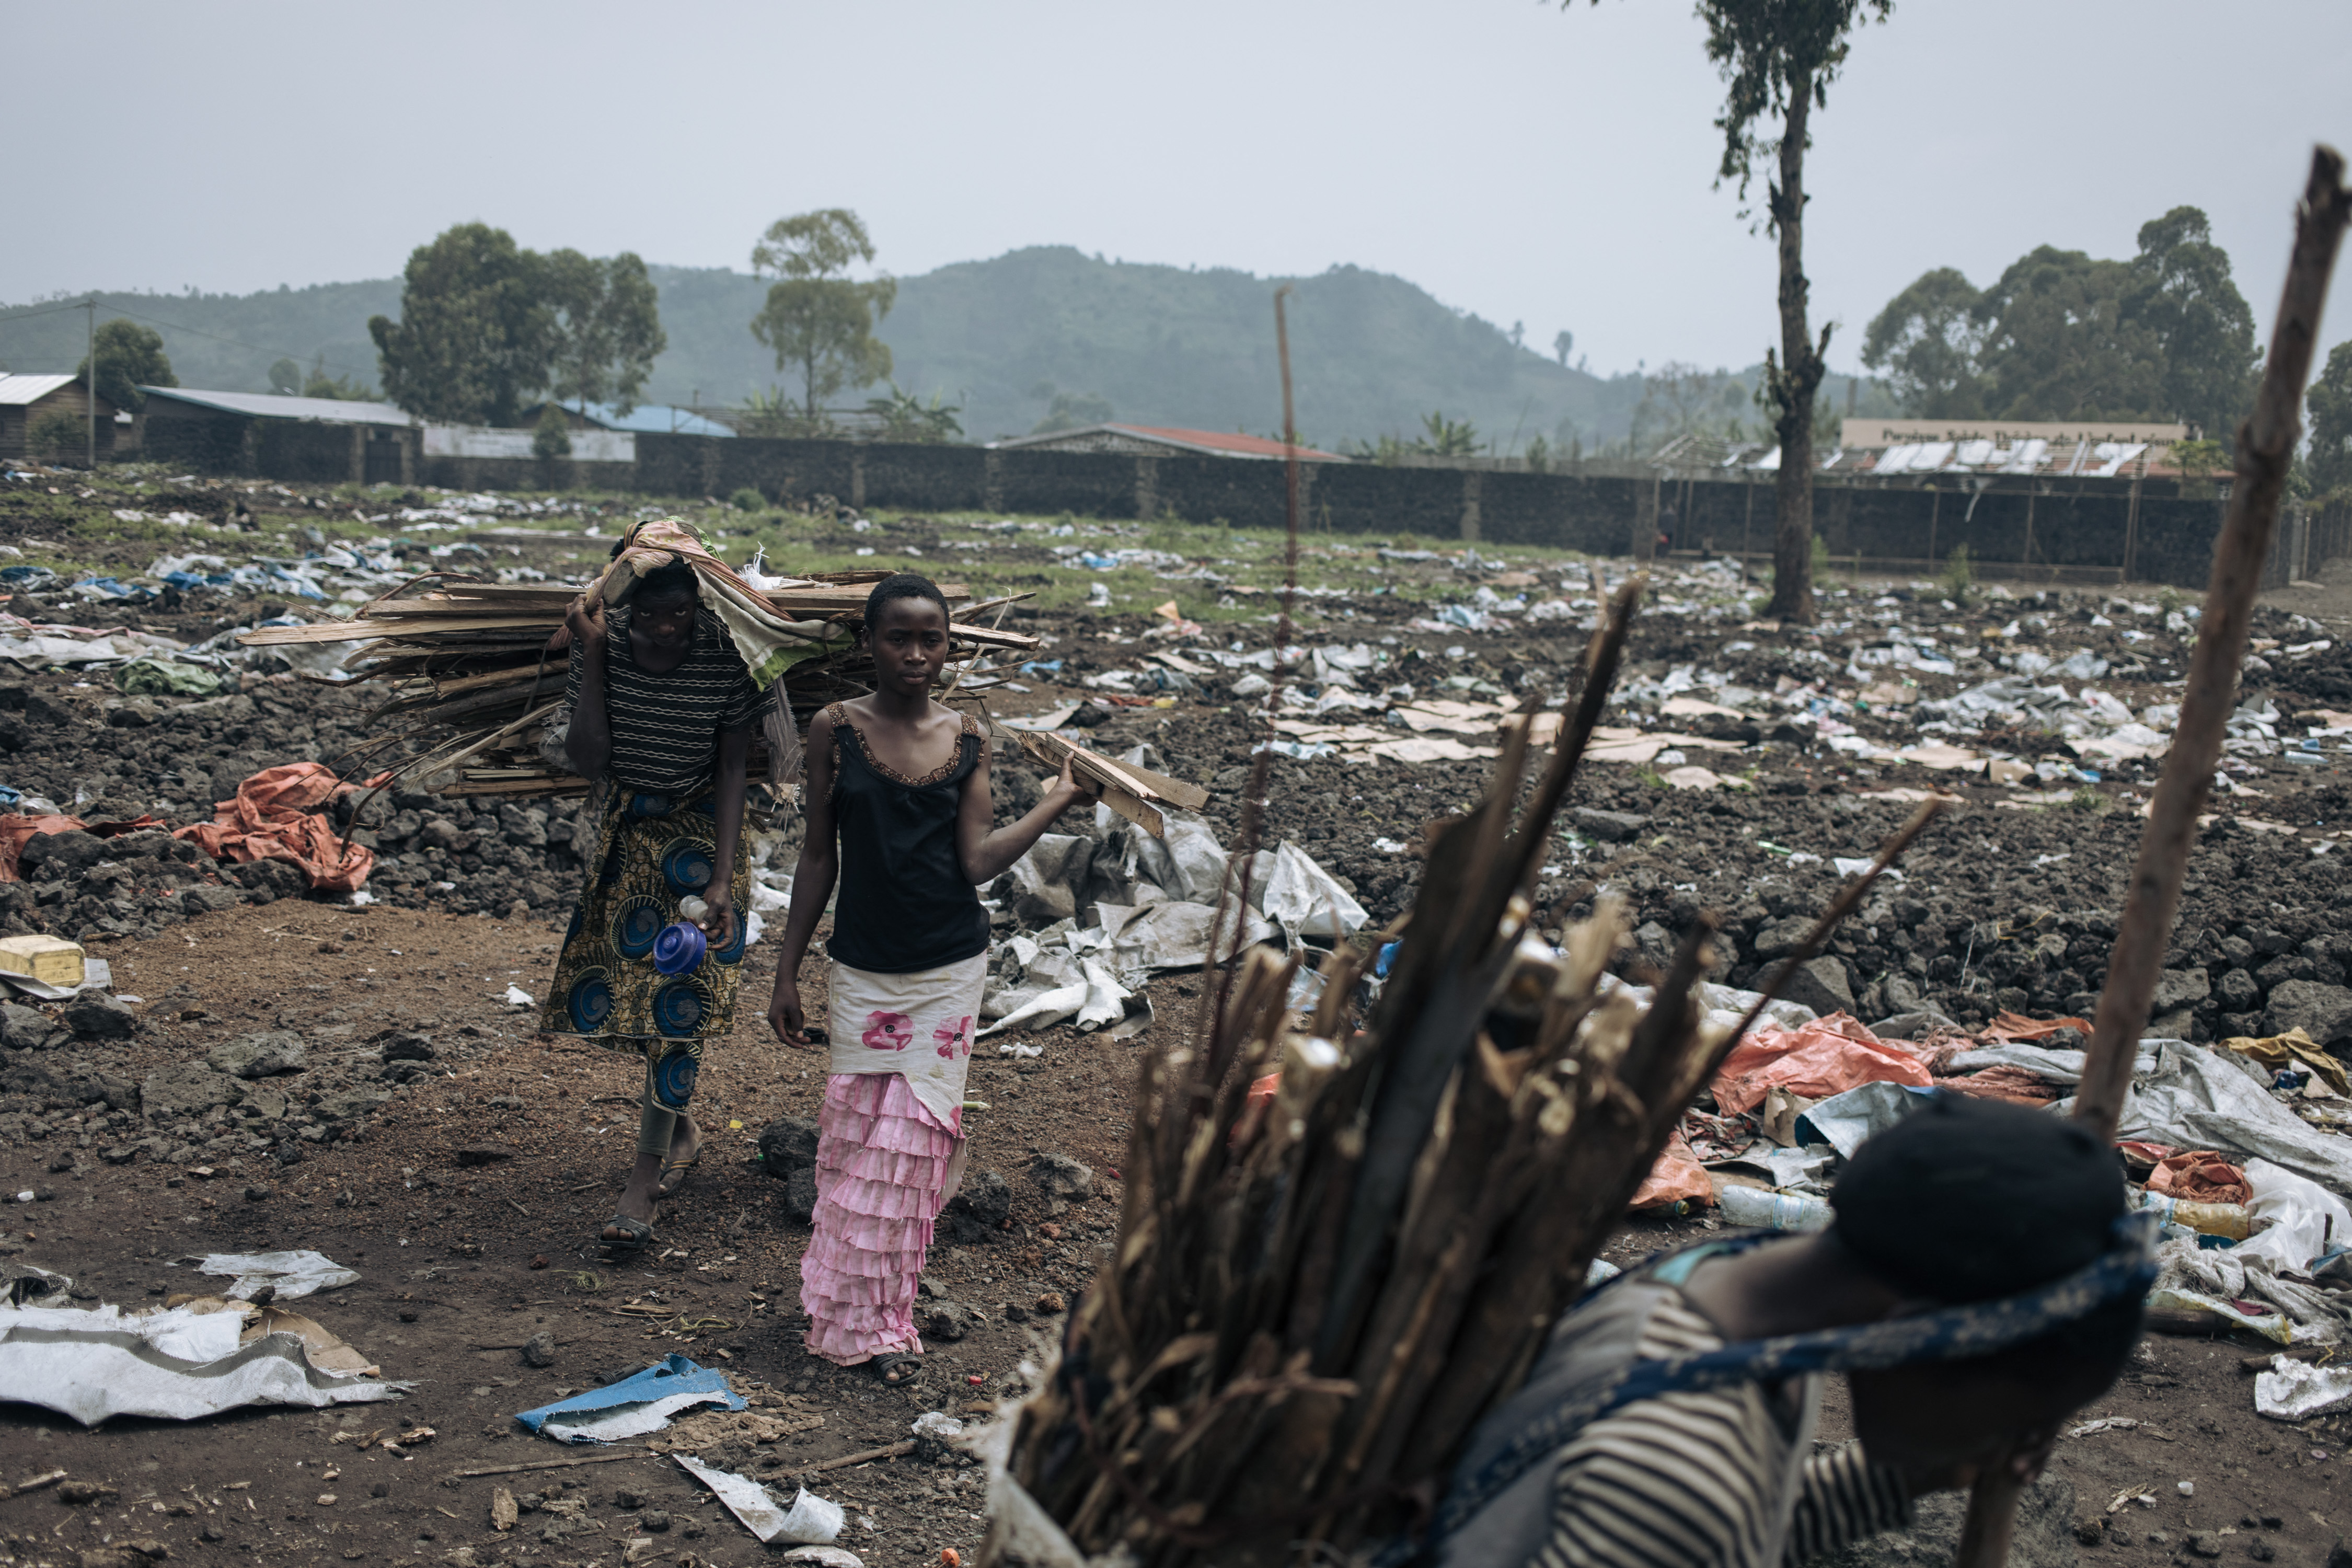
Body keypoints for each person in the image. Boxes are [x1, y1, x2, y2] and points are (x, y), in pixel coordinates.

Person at [1429, 1094, 2151, 1567]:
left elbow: (1747, 1535)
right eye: (2013, 1417)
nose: (2008, 1446)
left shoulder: (1719, 1296)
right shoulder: (1674, 1482)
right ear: (1914, 1334)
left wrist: (1915, 1469)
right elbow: (1703, 1527)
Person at [768, 572, 1088, 1380]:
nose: (916, 654)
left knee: (908, 1151)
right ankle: (845, 1309)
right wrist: (786, 973)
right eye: (898, 638)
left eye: (931, 639)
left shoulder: (967, 737)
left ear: (949, 648)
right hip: (864, 970)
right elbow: (817, 855)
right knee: (854, 1146)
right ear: (868, 644)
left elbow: (976, 862)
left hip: (949, 967)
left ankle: (878, 1322)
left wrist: (1054, 802)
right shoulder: (833, 730)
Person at [543, 546, 758, 1252]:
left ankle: (643, 1179)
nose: (670, 628)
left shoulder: (724, 656)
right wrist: (599, 657)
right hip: (629, 829)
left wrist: (722, 880)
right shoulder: (601, 647)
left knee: (679, 1002)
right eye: (655, 614)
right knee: (623, 995)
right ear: (629, 610)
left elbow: (732, 766)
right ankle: (673, 1123)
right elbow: (588, 758)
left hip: (702, 833)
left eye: (683, 613)